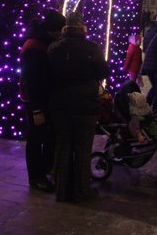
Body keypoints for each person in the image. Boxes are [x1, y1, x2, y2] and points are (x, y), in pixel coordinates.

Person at [48, 13, 108, 202]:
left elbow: (47, 74)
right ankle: (81, 191)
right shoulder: (92, 48)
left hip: (60, 105)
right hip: (86, 105)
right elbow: (103, 71)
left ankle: (62, 191)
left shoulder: (54, 48)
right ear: (82, 28)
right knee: (83, 148)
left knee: (63, 146)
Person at [20, 10, 66, 193]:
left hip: (45, 98)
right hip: (36, 101)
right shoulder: (34, 47)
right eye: (60, 29)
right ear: (51, 30)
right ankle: (36, 177)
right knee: (35, 138)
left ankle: (45, 170)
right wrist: (37, 110)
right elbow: (32, 80)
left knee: (45, 136)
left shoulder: (43, 43)